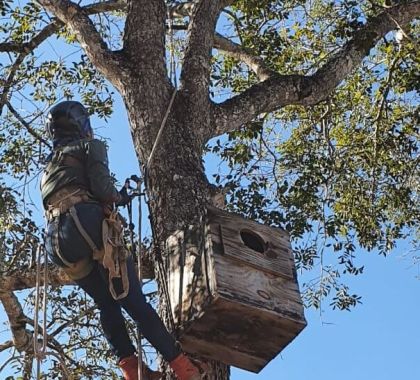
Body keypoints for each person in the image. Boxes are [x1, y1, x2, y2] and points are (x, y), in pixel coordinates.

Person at [41, 101, 206, 380]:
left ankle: (132, 370)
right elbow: (104, 191)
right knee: (132, 299)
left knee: (106, 303)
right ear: (81, 124)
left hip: (57, 243)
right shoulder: (89, 147)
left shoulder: (49, 167)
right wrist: (121, 196)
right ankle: (182, 367)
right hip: (86, 224)